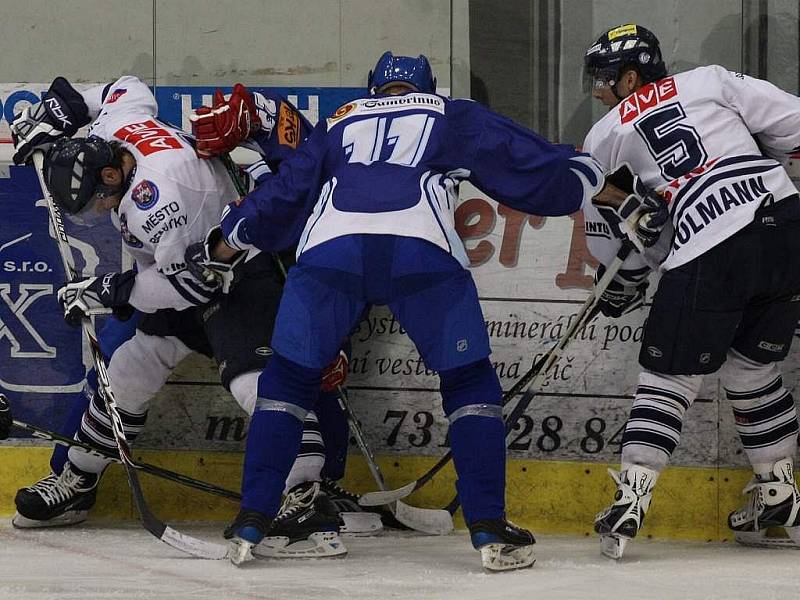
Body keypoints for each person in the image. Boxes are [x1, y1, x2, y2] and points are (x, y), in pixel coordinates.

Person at [191, 50, 633, 569]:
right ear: (427, 85)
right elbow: (523, 159)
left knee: (286, 383)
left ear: (373, 86)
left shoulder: (339, 120)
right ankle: (490, 531)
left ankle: (251, 522)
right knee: (469, 383)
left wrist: (225, 245)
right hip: (419, 250)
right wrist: (602, 186)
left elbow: (285, 193)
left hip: (331, 254)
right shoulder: (448, 111)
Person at [9, 76, 362, 557]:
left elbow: (189, 287)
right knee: (129, 368)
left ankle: (304, 501)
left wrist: (109, 291)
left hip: (236, 275)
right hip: (192, 267)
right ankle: (79, 479)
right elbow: (123, 86)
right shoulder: (120, 126)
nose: (99, 211)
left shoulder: (162, 204)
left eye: (98, 202)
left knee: (256, 385)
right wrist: (58, 113)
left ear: (112, 176)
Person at [582, 23, 800, 559]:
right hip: (786, 226)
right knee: (752, 369)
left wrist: (620, 286)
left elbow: (626, 245)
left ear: (630, 77)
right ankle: (780, 491)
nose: (596, 92)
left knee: (668, 375)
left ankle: (630, 498)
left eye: (604, 80)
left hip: (711, 241)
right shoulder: (710, 80)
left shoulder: (602, 140)